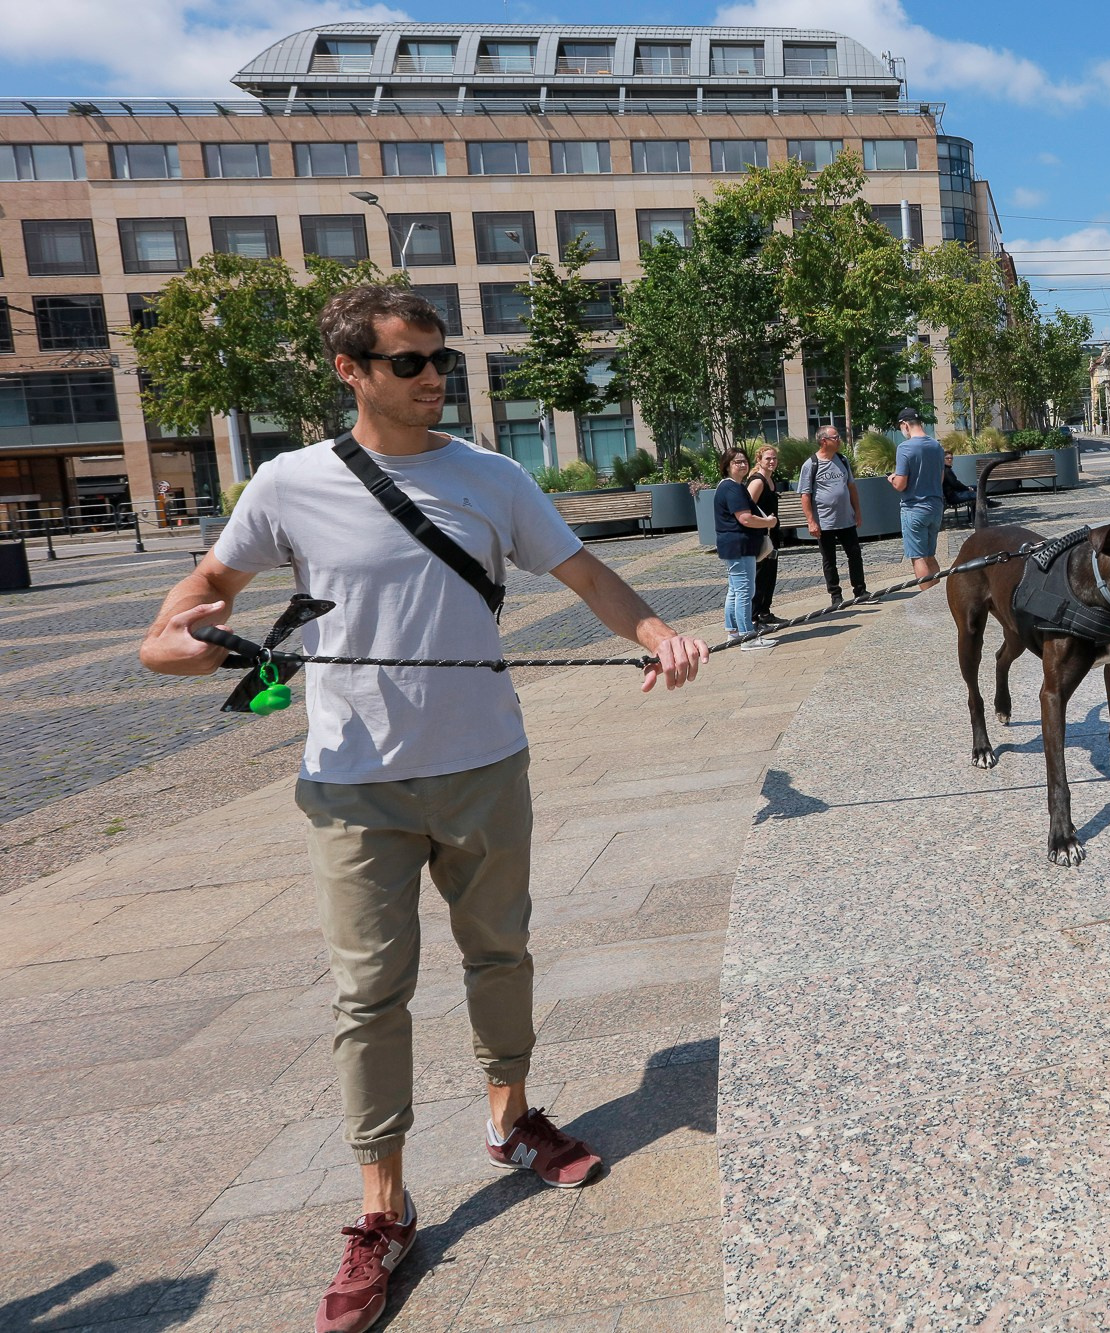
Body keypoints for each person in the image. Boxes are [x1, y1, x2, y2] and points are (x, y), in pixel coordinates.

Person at [137, 285, 708, 1333]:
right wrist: (185, 644)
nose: (434, 376)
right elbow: (187, 612)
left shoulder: (489, 475)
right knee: (370, 993)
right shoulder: (287, 482)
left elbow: (582, 571)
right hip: (352, 781)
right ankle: (381, 1208)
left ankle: (510, 1117)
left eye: (438, 357)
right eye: (408, 361)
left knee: (501, 953)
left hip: (484, 759)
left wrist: (656, 633)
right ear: (350, 370)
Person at [715, 446, 779, 647]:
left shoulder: (732, 486)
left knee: (735, 590)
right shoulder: (732, 488)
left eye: (744, 461)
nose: (742, 465)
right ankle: (747, 636)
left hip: (734, 545)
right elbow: (745, 518)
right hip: (739, 545)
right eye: (737, 462)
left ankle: (733, 632)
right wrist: (768, 522)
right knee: (744, 591)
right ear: (727, 466)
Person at [800, 426, 869, 609]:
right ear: (824, 441)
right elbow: (805, 495)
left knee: (855, 554)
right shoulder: (811, 464)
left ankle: (860, 590)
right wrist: (811, 521)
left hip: (846, 519)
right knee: (829, 560)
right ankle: (835, 595)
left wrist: (858, 511)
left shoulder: (842, 460)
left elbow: (851, 487)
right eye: (835, 437)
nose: (839, 440)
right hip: (825, 522)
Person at [889, 406, 945, 588]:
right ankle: (940, 597)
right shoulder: (937, 446)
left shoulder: (905, 448)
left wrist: (892, 479)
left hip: (914, 508)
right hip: (935, 506)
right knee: (930, 555)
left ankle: (927, 601)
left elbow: (901, 484)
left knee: (918, 557)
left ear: (904, 425)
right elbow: (941, 477)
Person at [745, 444, 785, 628]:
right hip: (761, 534)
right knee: (760, 576)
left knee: (770, 574)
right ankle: (754, 616)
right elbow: (747, 508)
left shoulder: (770, 480)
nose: (772, 461)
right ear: (759, 460)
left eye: (774, 458)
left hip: (772, 533)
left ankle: (765, 611)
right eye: (768, 458)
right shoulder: (758, 481)